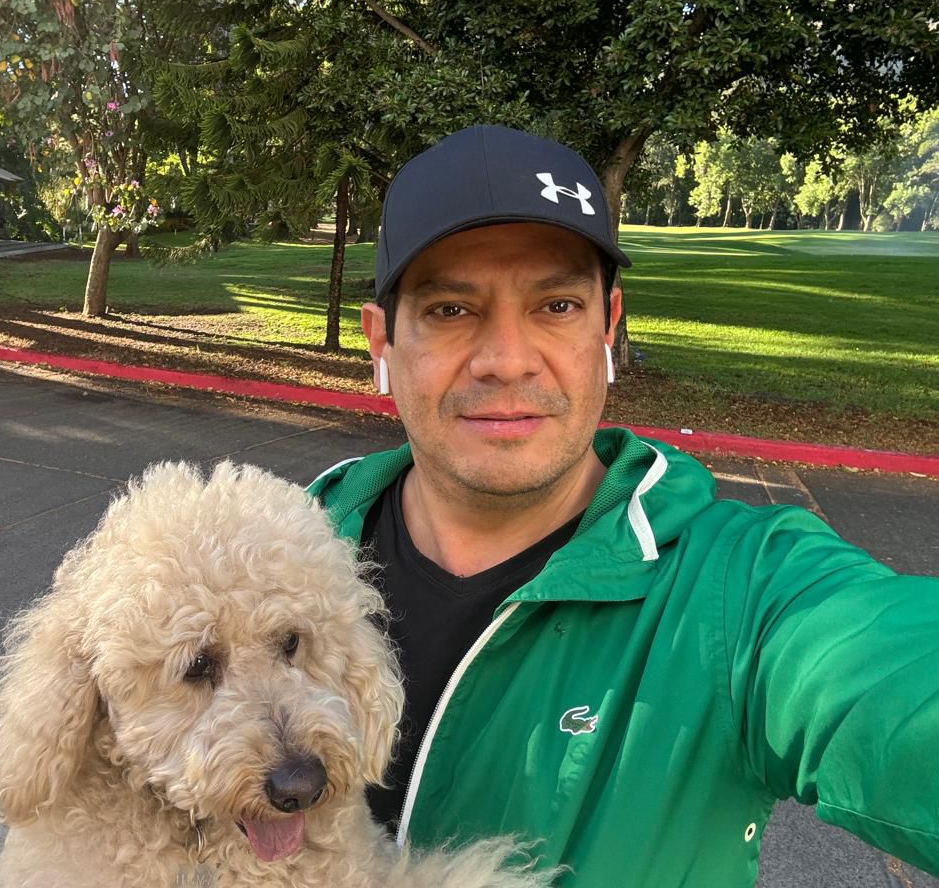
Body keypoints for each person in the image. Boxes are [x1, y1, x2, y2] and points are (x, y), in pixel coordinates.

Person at [306, 125, 939, 887]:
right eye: (449, 310)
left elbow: (891, 682)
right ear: (381, 339)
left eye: (556, 305)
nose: (507, 360)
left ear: (607, 323)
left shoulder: (738, 591)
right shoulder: (275, 551)